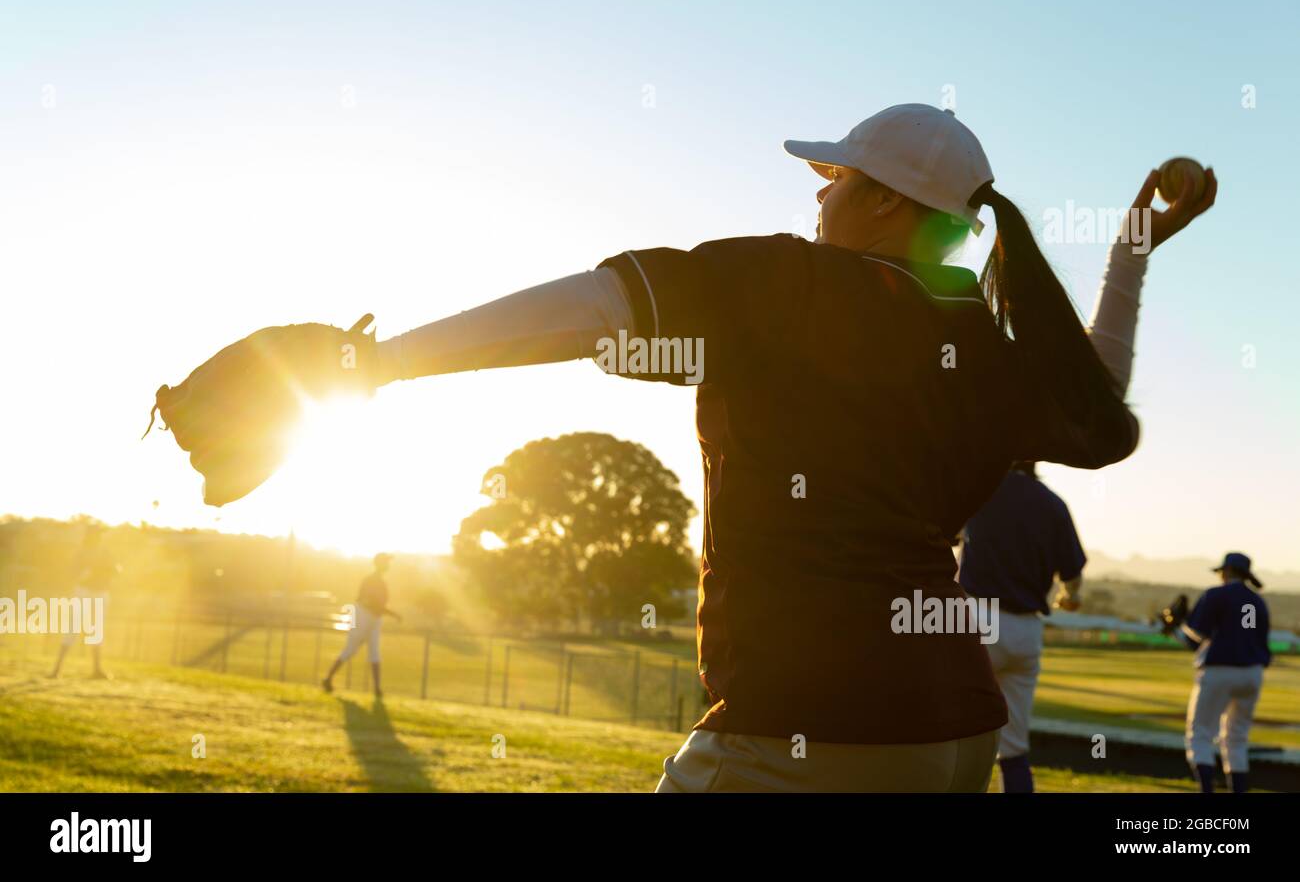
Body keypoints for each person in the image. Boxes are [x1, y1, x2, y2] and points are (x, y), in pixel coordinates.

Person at [348, 104, 1214, 790]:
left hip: (810, 723)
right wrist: (1131, 250)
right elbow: (1092, 404)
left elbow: (600, 307)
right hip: (957, 731)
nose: (817, 193)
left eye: (834, 175)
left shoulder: (788, 279)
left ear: (882, 200)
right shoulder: (974, 335)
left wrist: (377, 362)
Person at [957, 461, 1086, 793]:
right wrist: (1068, 597)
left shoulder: (978, 488)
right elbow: (1072, 579)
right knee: (1013, 748)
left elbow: (946, 534)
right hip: (1027, 629)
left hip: (977, 619)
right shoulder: (1053, 502)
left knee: (956, 736)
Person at [1171, 552, 1270, 793]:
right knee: (1236, 738)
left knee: (1201, 733)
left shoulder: (1216, 595)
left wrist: (1176, 625)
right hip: (1252, 673)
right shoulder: (1257, 602)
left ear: (1225, 572)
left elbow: (1196, 636)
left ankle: (1207, 790)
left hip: (1219, 669)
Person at [322, 552, 402, 698]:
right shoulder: (370, 580)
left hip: (375, 618)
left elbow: (379, 605)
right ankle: (328, 679)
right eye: (386, 562)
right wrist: (392, 614)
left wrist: (388, 613)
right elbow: (370, 602)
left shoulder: (382, 582)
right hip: (362, 615)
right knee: (350, 649)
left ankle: (377, 689)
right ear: (379, 563)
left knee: (375, 651)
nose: (388, 565)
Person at [50, 528, 119, 680]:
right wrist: (86, 573)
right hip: (84, 592)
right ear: (90, 536)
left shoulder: (105, 551)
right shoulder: (81, 552)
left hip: (101, 592)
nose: (99, 538)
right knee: (73, 628)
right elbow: (73, 573)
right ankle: (56, 670)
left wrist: (110, 570)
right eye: (97, 535)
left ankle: (97, 670)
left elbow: (115, 569)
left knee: (96, 630)